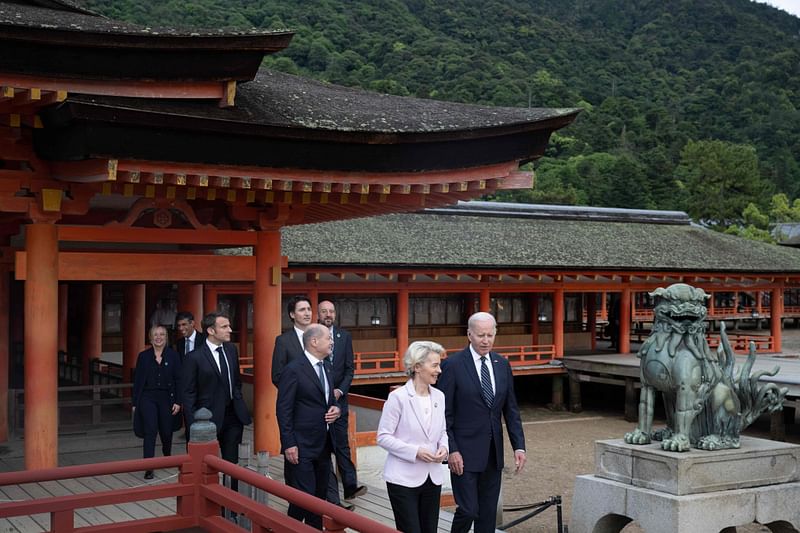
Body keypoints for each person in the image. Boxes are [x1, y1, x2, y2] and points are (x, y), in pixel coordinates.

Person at [437, 312, 526, 533]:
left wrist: (519, 446)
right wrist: (452, 450)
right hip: (463, 453)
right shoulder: (453, 365)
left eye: (490, 335)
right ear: (469, 334)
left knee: (487, 515)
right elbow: (443, 415)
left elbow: (511, 410)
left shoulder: (502, 364)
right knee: (468, 509)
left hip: (493, 453)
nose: (485, 340)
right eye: (480, 335)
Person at [377, 341, 448, 533]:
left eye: (439, 365)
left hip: (432, 476)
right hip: (402, 478)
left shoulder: (440, 397)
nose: (439, 370)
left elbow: (442, 431)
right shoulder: (398, 397)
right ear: (417, 367)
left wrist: (444, 448)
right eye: (434, 365)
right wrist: (415, 451)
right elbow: (383, 437)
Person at [277, 324, 341, 530]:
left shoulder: (327, 367)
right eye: (328, 338)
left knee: (319, 499)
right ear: (314, 342)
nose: (332, 341)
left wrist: (336, 409)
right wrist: (289, 443)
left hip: (323, 443)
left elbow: (330, 399)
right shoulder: (293, 369)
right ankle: (287, 528)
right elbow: (283, 409)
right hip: (300, 444)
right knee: (302, 498)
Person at [182, 312, 252, 473]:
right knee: (206, 467)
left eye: (229, 326)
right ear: (211, 331)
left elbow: (236, 380)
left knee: (232, 465)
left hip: (233, 415)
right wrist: (193, 423)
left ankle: (231, 495)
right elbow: (189, 393)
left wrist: (238, 397)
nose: (230, 329)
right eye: (224, 326)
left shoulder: (231, 350)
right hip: (207, 418)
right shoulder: (194, 357)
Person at [318, 300, 366, 509]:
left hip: (340, 399)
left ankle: (350, 485)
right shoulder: (312, 335)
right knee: (323, 447)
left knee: (342, 444)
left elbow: (349, 369)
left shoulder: (344, 336)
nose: (328, 314)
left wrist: (340, 390)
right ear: (318, 314)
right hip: (318, 401)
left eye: (331, 311)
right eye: (324, 311)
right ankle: (331, 496)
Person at [132, 325, 182, 480]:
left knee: (166, 431)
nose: (159, 337)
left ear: (166, 337)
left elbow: (179, 380)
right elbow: (138, 381)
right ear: (150, 337)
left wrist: (178, 401)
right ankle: (149, 467)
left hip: (167, 397)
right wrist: (135, 403)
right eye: (155, 334)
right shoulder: (143, 356)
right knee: (150, 430)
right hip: (148, 397)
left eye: (162, 334)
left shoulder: (173, 356)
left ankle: (167, 455)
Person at [271, 295, 313, 386]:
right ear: (292, 314)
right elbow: (277, 375)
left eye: (309, 309)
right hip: (295, 396)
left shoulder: (319, 336)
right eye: (302, 310)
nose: (307, 313)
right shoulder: (283, 341)